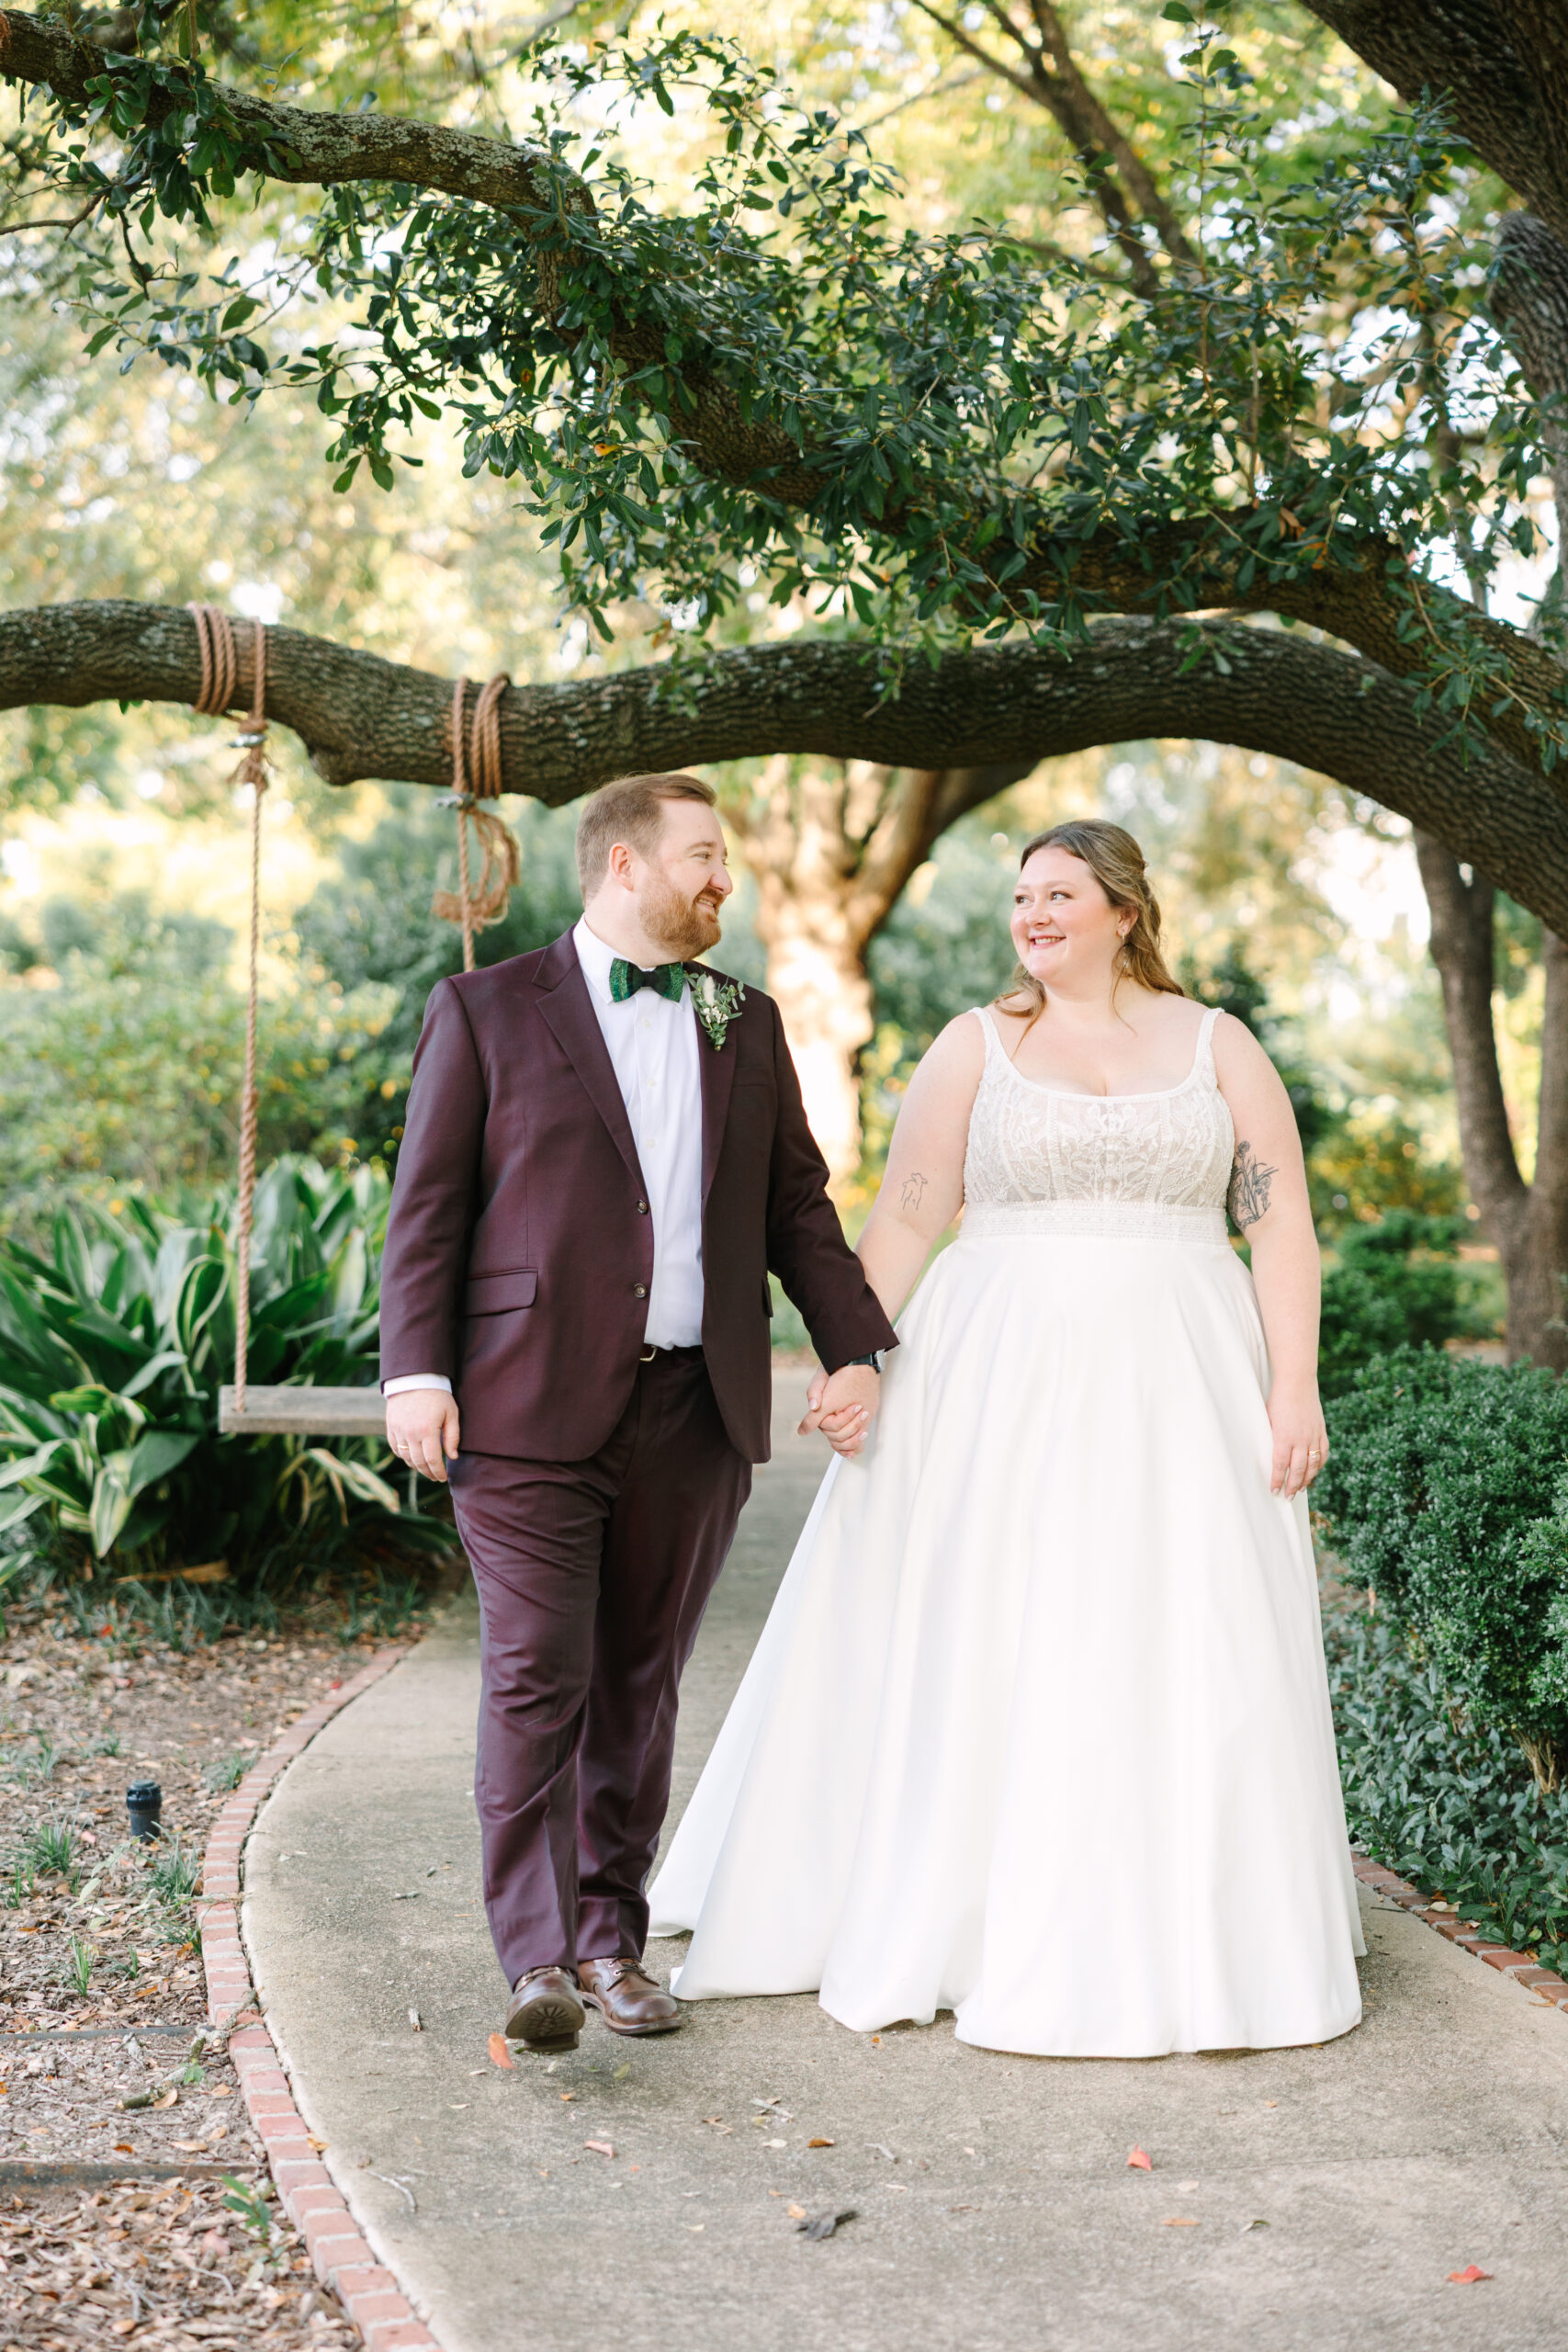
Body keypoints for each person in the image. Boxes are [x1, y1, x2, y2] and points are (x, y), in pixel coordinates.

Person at [650, 819, 1365, 2058]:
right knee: (999, 1624)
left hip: (1183, 1382)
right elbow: (911, 1215)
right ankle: (960, 1908)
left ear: (1124, 910)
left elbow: (1279, 1225)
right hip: (996, 1381)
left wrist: (1293, 1388)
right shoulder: (977, 1044)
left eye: (1059, 894)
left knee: (1172, 1631)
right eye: (1021, 896)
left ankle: (1187, 1922)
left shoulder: (1219, 1047)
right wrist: (854, 1357)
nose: (1032, 915)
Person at [378, 773, 896, 2052]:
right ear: (624, 866)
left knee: (641, 1683)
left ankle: (612, 1939)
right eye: (704, 857)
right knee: (538, 1673)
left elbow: (796, 1213)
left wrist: (859, 1350)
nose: (725, 880)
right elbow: (429, 1208)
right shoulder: (486, 1009)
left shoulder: (743, 1021)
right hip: (520, 1408)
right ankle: (535, 1959)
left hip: (695, 1411)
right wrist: (415, 1371)